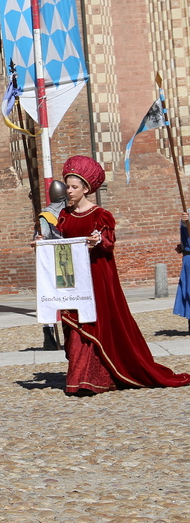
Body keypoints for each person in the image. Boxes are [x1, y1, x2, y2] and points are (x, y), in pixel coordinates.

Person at [55, 155, 190, 395]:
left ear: (86, 188)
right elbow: (58, 243)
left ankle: (94, 378)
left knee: (94, 322)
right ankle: (79, 377)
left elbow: (109, 244)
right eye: (68, 186)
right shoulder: (64, 216)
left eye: (74, 186)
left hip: (97, 276)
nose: (70, 190)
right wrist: (42, 243)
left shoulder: (100, 215)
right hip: (73, 278)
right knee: (76, 323)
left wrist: (98, 240)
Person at [36, 179, 68, 350]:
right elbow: (44, 237)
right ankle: (48, 333)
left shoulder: (46, 215)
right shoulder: (60, 213)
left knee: (54, 297)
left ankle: (49, 332)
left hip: (56, 259)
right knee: (54, 297)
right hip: (59, 259)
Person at [175, 209, 190, 333]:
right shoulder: (188, 213)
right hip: (188, 258)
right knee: (188, 291)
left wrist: (186, 223)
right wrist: (183, 246)